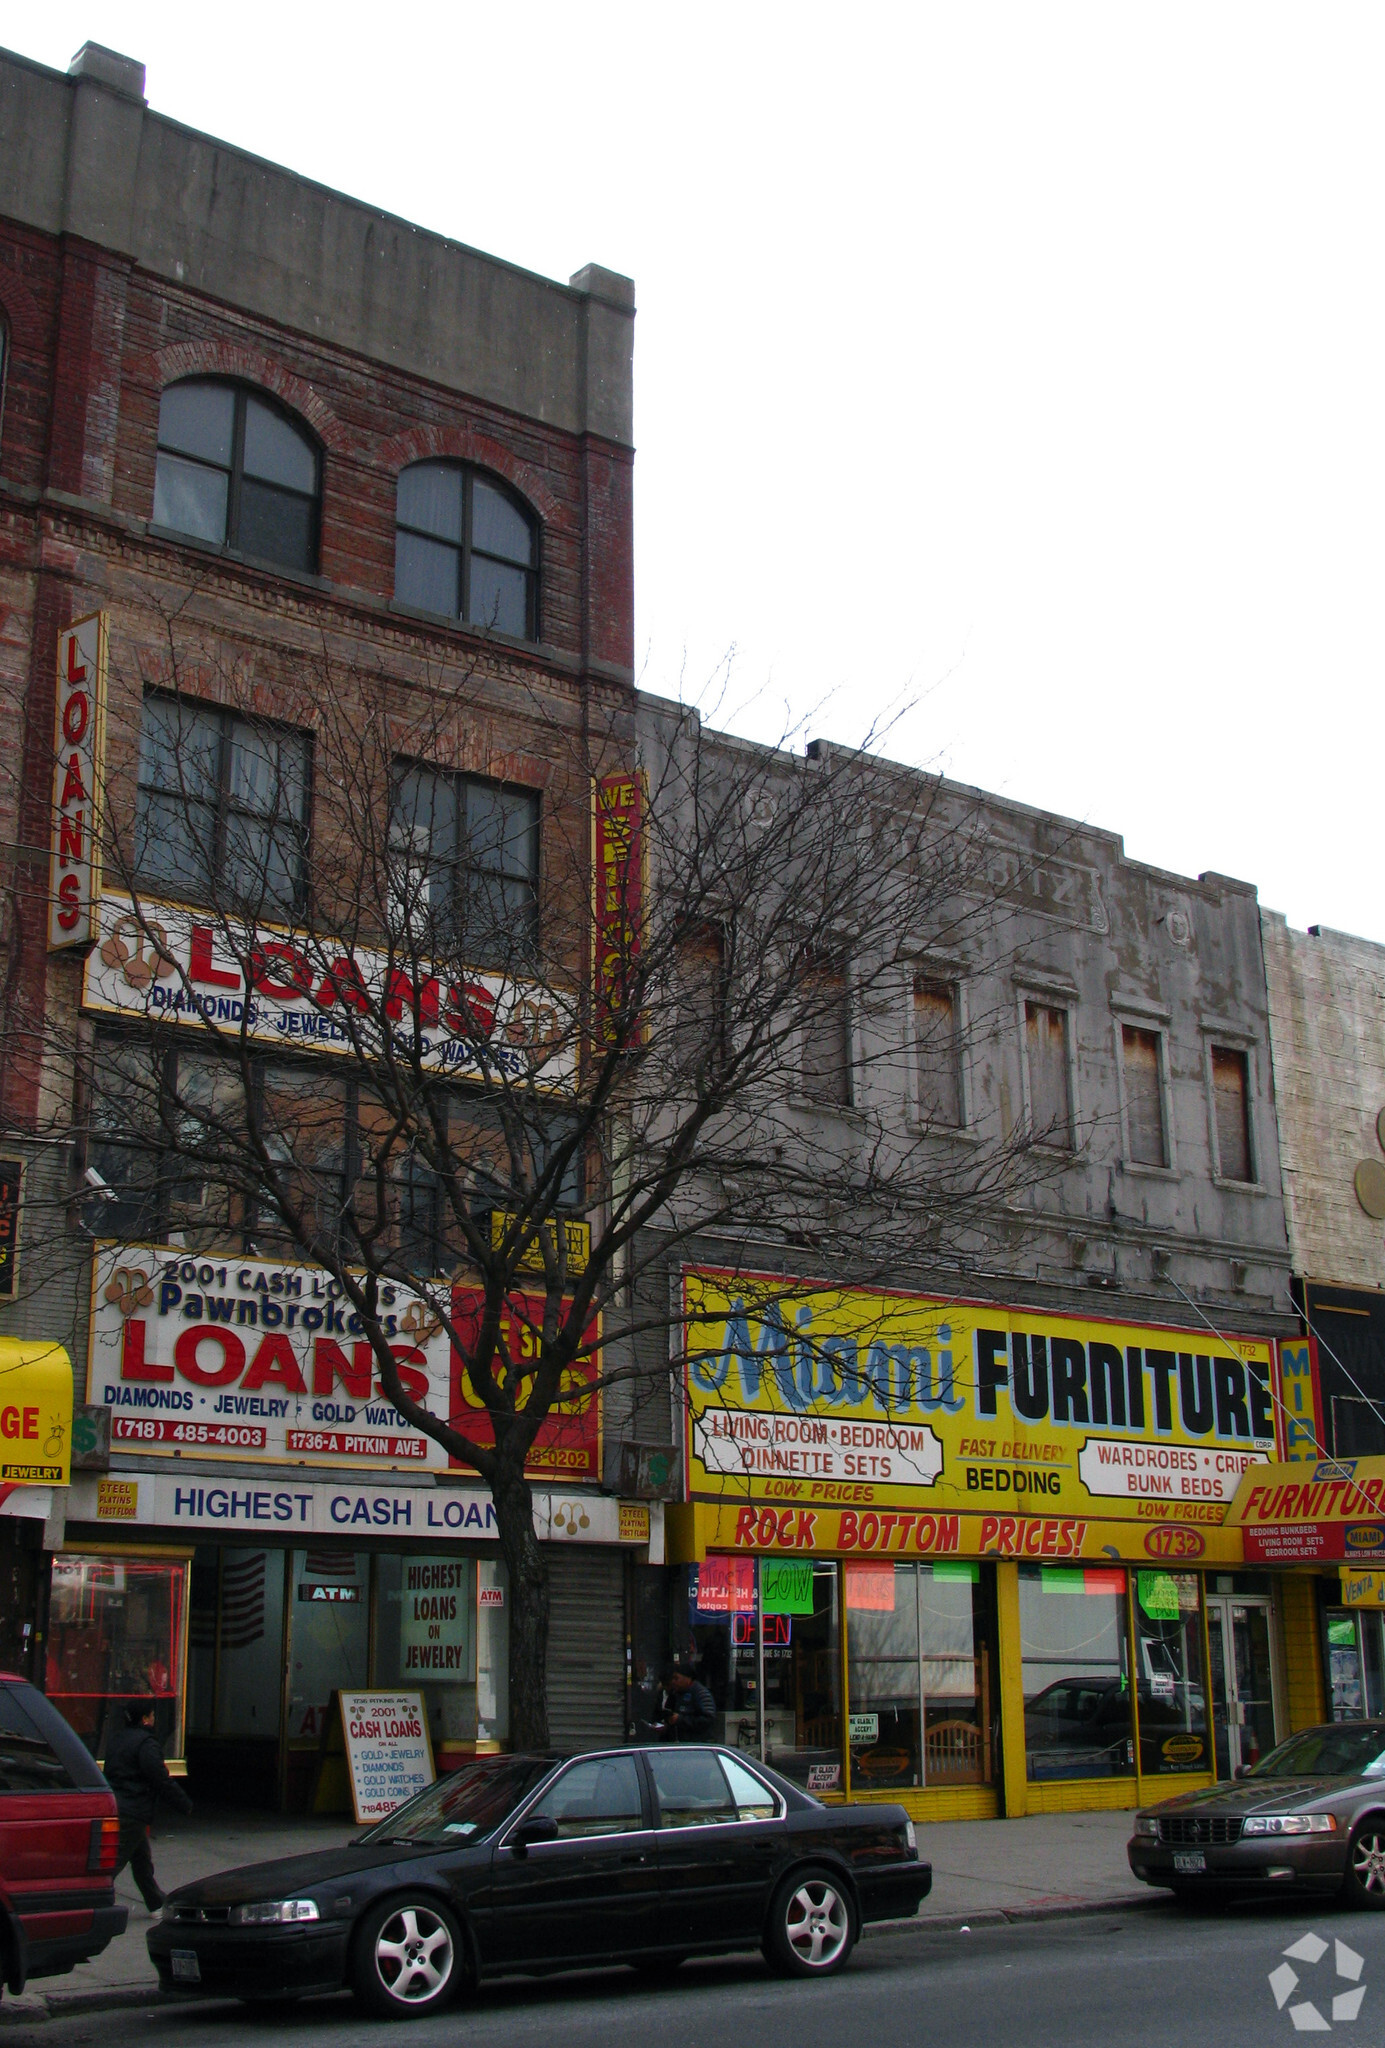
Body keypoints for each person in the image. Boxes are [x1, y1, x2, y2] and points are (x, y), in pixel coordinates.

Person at [103, 1700, 193, 1911]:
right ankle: (93, 1901)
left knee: (141, 1859)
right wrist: (184, 1803)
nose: (154, 1719)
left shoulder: (117, 1739)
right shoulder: (146, 1744)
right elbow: (160, 1779)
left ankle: (155, 1903)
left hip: (117, 1806)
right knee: (115, 1862)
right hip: (134, 1810)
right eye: (152, 1715)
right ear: (145, 1719)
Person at [664, 1667, 717, 1742]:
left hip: (699, 1743)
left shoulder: (701, 1693)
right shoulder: (676, 1694)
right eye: (672, 1679)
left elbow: (708, 1719)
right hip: (681, 1741)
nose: (673, 1682)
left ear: (687, 1678)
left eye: (676, 1678)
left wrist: (680, 1719)